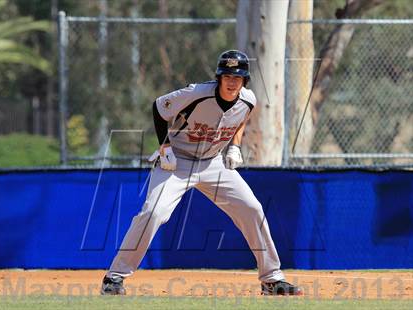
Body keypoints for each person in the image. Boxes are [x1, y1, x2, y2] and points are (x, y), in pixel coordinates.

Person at [101, 50, 302, 296]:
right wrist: (164, 147)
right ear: (218, 78)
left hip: (212, 163)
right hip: (176, 163)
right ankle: (115, 277)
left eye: (237, 78)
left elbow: (240, 120)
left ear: (244, 81)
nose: (231, 81)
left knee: (252, 209)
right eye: (226, 76)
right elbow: (159, 106)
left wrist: (235, 146)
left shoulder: (248, 100)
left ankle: (271, 278)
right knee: (153, 213)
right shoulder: (197, 94)